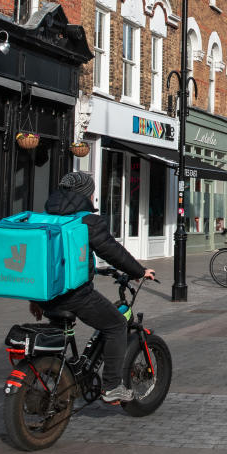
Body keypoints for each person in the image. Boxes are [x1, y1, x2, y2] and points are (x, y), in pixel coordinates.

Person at [37, 171, 155, 404]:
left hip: (45, 295)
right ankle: (111, 387)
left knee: (59, 339)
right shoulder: (85, 220)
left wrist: (34, 298)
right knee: (116, 324)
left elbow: (39, 261)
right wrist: (139, 271)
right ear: (86, 194)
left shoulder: (44, 218)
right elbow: (111, 250)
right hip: (74, 296)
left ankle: (60, 378)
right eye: (92, 193)